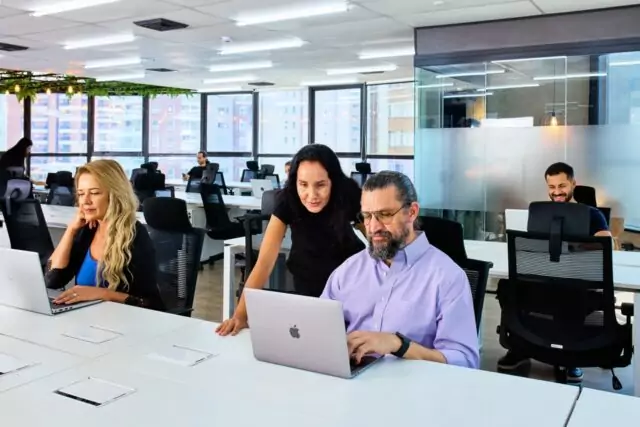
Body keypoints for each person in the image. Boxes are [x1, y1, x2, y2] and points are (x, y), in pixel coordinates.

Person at [321, 171, 479, 368]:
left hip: (413, 391)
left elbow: (465, 362)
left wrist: (399, 345)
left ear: (412, 212)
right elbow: (320, 330)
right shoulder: (348, 270)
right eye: (367, 216)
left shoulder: (448, 277)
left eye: (385, 215)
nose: (373, 227)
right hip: (351, 384)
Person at [216, 144, 365, 336]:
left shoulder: (350, 196)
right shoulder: (288, 200)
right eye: (303, 184)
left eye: (320, 185)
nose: (311, 195)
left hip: (352, 289)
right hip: (308, 286)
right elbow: (264, 263)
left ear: (333, 181)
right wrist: (240, 316)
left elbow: (378, 244)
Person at [497, 161, 611, 382]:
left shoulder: (591, 214)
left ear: (573, 184)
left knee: (571, 297)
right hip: (545, 279)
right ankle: (521, 347)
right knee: (507, 288)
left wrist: (572, 246)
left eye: (562, 185)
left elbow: (605, 243)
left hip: (576, 283)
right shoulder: (541, 213)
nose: (557, 192)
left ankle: (571, 357)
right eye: (552, 187)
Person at [45, 159, 164, 310]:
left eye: (94, 193)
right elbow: (52, 281)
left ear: (114, 194)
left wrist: (104, 294)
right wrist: (71, 230)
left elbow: (150, 304)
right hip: (85, 319)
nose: (85, 201)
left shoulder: (134, 235)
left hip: (123, 325)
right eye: (81, 194)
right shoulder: (87, 231)